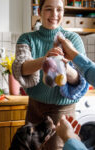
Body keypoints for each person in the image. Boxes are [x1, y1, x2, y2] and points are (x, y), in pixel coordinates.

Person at [12, 0, 88, 149]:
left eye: (59, 10)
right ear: (39, 12)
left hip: (62, 111)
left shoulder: (73, 40)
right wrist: (46, 60)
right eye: (48, 9)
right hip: (34, 107)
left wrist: (65, 68)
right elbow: (21, 68)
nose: (54, 14)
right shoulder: (27, 38)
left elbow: (81, 79)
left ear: (63, 12)